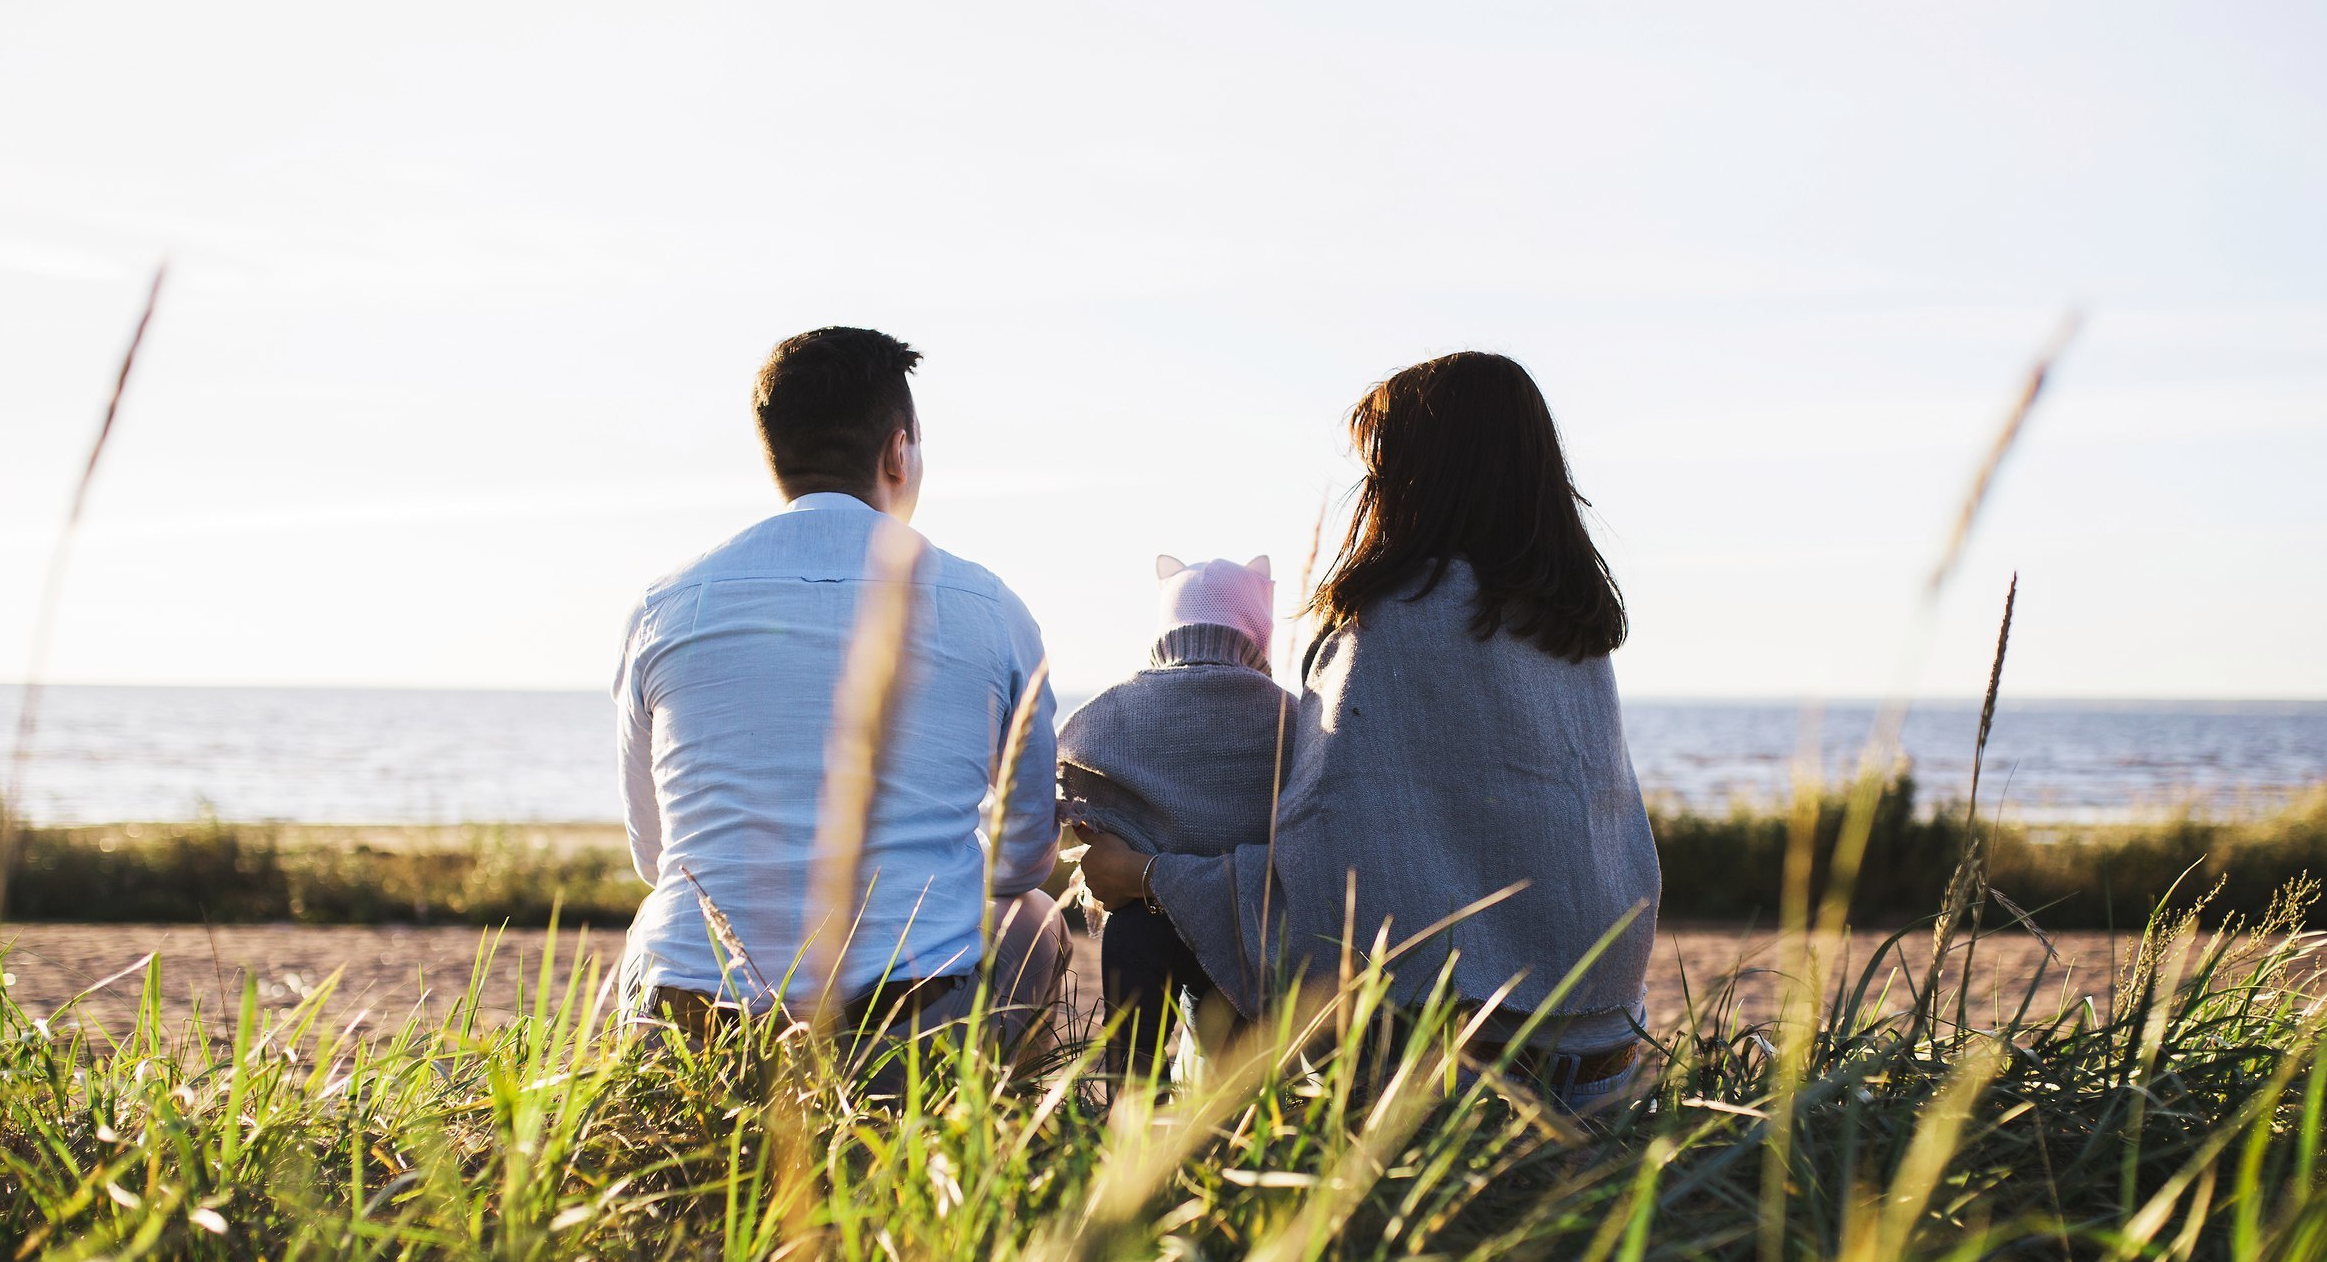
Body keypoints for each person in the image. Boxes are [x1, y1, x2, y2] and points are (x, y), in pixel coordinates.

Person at [1077, 352, 1659, 1109]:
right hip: (1605, 1072)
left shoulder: (1387, 625)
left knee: (1148, 932)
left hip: (1456, 1089)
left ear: (1416, 478)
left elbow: (1324, 885)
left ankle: (1157, 1140)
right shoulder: (1576, 636)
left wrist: (1147, 877)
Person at [614, 327, 1068, 1053]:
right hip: (910, 1030)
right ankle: (1002, 1142)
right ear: (898, 451)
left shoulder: (664, 604)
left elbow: (655, 856)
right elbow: (1024, 861)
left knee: (657, 914)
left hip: (693, 1024)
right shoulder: (988, 605)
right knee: (1035, 917)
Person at [1057, 554, 1297, 1078]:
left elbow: (1063, 761)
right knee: (1233, 1074)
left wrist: (1092, 815)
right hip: (1250, 934)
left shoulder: (1118, 709)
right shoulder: (1290, 716)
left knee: (1131, 948)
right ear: (1257, 628)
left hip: (1149, 921)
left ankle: (1129, 1090)